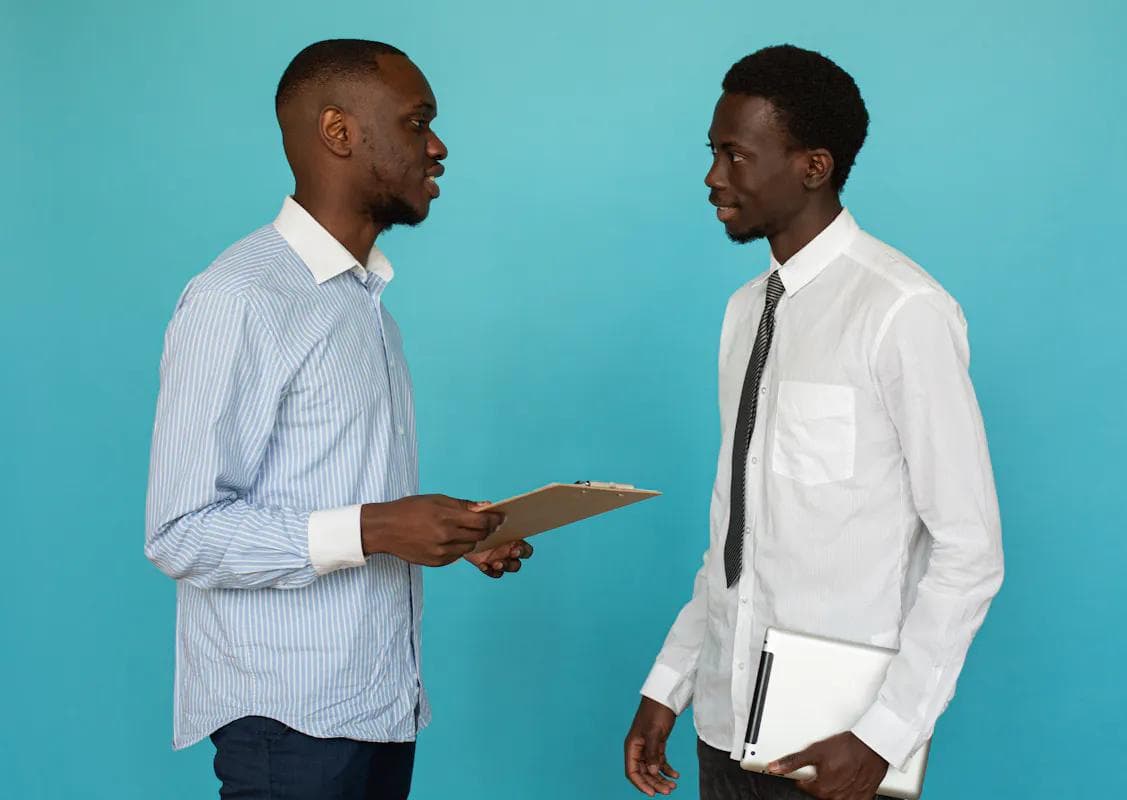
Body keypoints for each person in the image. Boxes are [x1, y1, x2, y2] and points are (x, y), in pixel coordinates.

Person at [145, 39, 532, 799]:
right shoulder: (241, 297)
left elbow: (339, 497)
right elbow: (179, 530)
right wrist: (377, 528)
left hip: (377, 708)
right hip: (288, 728)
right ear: (339, 132)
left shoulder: (364, 306)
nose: (438, 145)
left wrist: (445, 534)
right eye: (418, 122)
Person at [623, 45, 1004, 800]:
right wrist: (668, 684)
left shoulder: (902, 312)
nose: (713, 177)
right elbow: (739, 536)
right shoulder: (743, 315)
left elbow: (970, 550)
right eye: (713, 152)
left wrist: (884, 736)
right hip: (721, 733)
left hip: (835, 748)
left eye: (736, 155)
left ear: (814, 165)